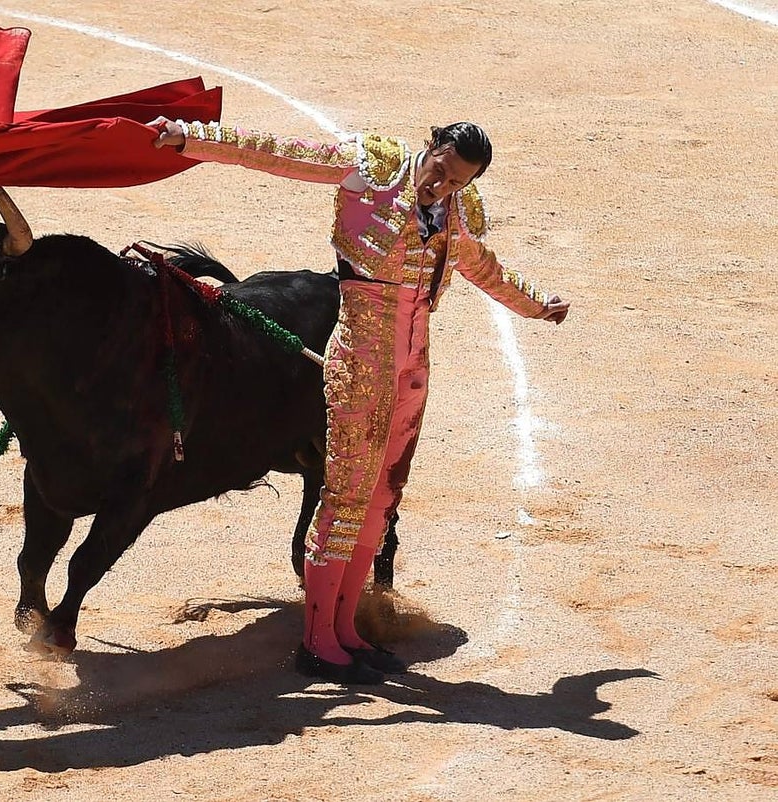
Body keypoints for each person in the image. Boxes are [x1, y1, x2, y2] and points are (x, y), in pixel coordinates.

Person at [152, 117, 570, 684]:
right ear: (431, 146)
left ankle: (347, 630)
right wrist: (189, 137)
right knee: (346, 491)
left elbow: (482, 268)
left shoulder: (458, 213)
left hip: (412, 365)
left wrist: (537, 304)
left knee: (381, 498)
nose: (441, 188)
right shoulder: (371, 168)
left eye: (457, 183)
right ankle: (318, 642)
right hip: (361, 356)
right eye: (441, 172)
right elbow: (275, 151)